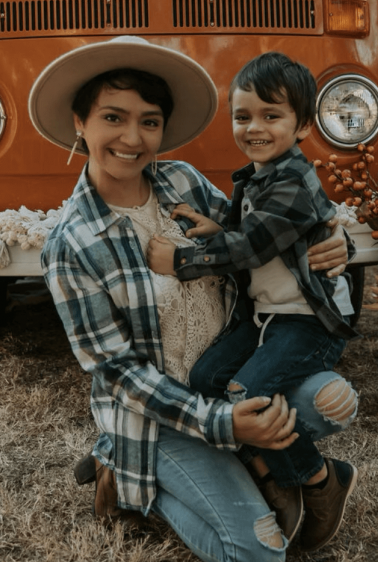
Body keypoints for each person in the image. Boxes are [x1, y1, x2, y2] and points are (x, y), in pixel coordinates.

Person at [30, 36, 359, 562]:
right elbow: (118, 372)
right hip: (163, 419)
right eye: (113, 118)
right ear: (79, 122)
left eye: (150, 121)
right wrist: (221, 422)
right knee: (260, 552)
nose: (132, 138)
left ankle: (287, 470)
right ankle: (133, 476)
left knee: (331, 399)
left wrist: (332, 235)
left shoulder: (180, 180)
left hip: (227, 374)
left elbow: (264, 229)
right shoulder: (70, 245)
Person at [147, 51, 359, 552]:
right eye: (243, 116)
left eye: (271, 115)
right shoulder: (258, 177)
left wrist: (181, 262)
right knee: (205, 379)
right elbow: (257, 236)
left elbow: (253, 245)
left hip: (307, 323)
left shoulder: (292, 181)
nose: (254, 127)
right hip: (265, 317)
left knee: (246, 392)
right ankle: (268, 467)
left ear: (304, 125)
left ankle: (317, 479)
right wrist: (221, 227)